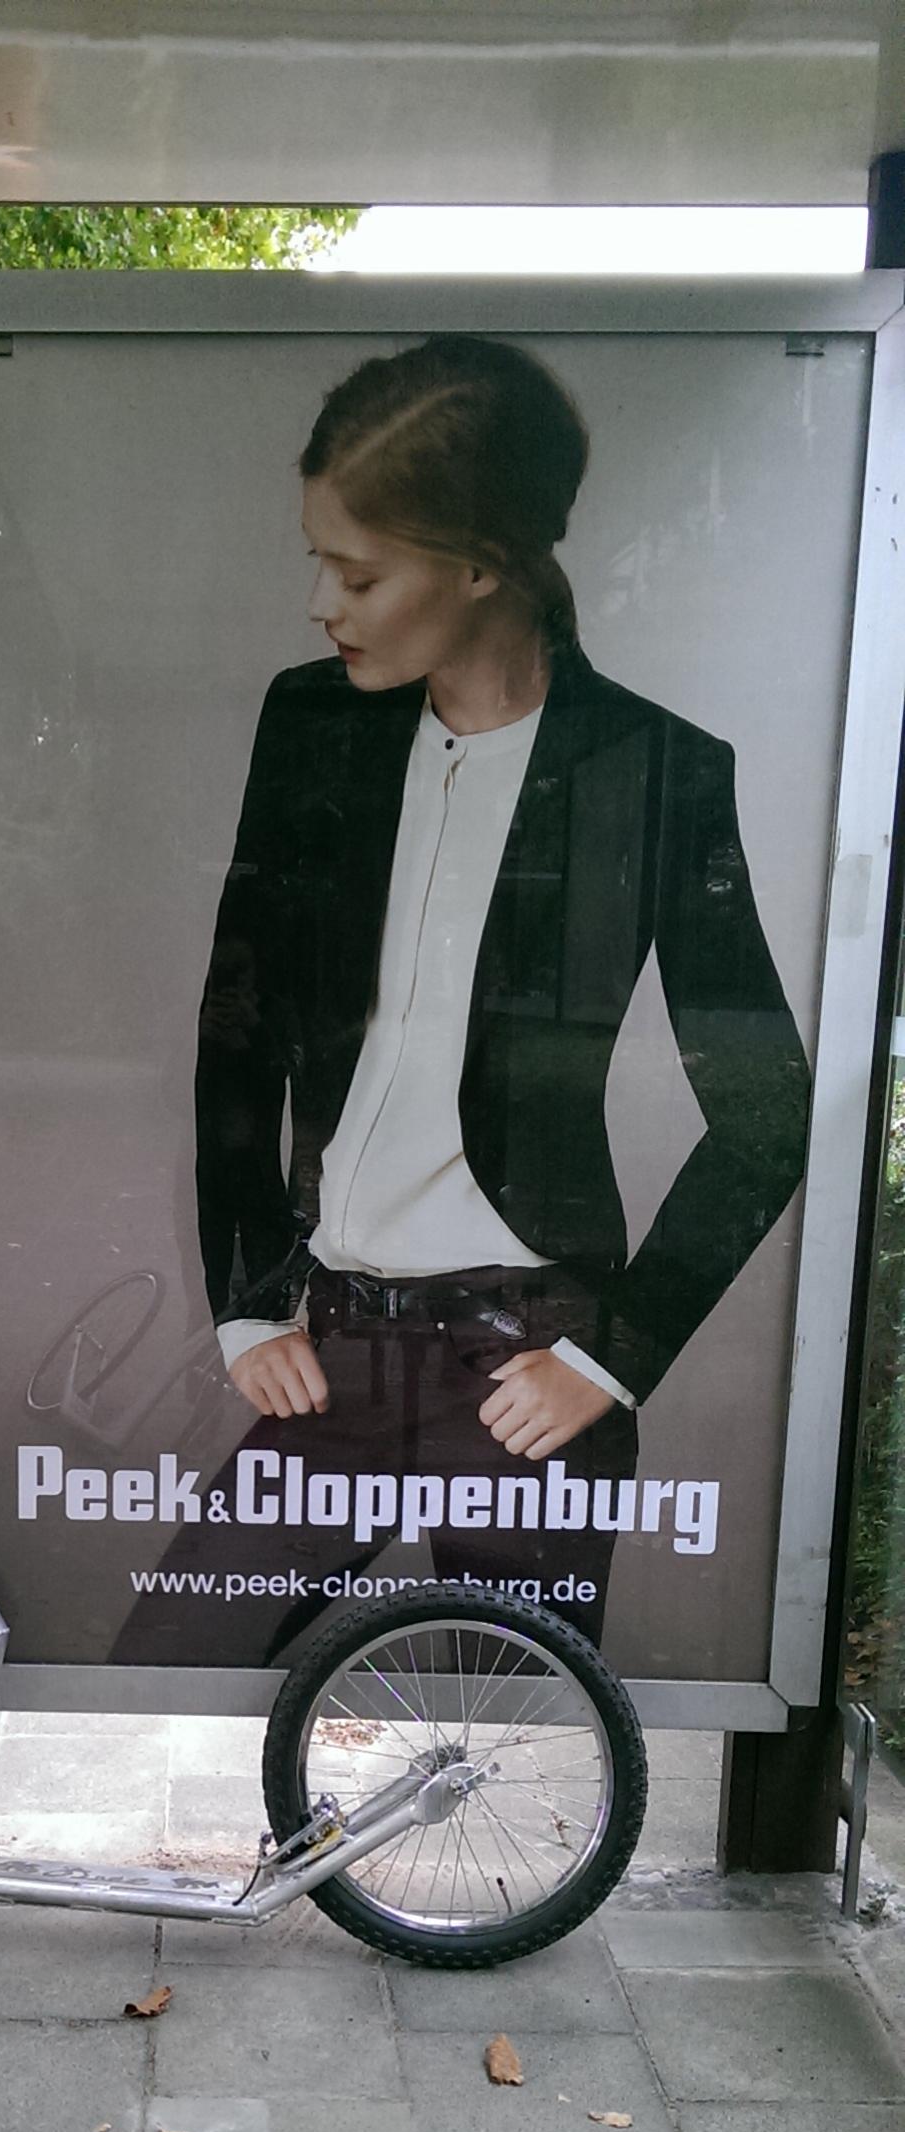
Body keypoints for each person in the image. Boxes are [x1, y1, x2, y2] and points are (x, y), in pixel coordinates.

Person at [116, 333, 811, 1667]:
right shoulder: (312, 726)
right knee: (167, 1659)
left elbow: (767, 1111)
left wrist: (611, 1356)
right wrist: (250, 1300)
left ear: (482, 563)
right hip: (336, 1340)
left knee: (512, 1733)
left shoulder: (653, 769)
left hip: (527, 1359)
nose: (321, 601)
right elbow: (238, 1027)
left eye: (360, 572)